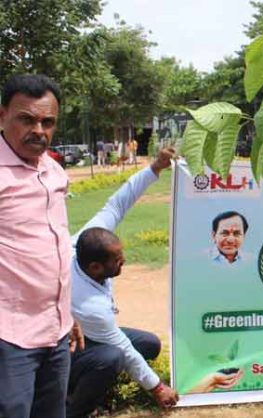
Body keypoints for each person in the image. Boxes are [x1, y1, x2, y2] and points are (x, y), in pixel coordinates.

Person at [68, 147, 179, 417]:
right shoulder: (88, 303)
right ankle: (72, 408)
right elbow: (123, 348)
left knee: (149, 344)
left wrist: (155, 168)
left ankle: (96, 387)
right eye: (117, 260)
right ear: (95, 267)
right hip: (61, 353)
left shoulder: (88, 239)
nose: (124, 261)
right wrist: (158, 388)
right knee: (112, 357)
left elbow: (118, 202)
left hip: (88, 337)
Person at [0, 74, 84, 418]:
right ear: (2, 115)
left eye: (48, 122)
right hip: (9, 336)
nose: (39, 130)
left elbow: (53, 245)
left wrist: (66, 310)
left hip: (56, 329)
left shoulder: (52, 170)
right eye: (27, 119)